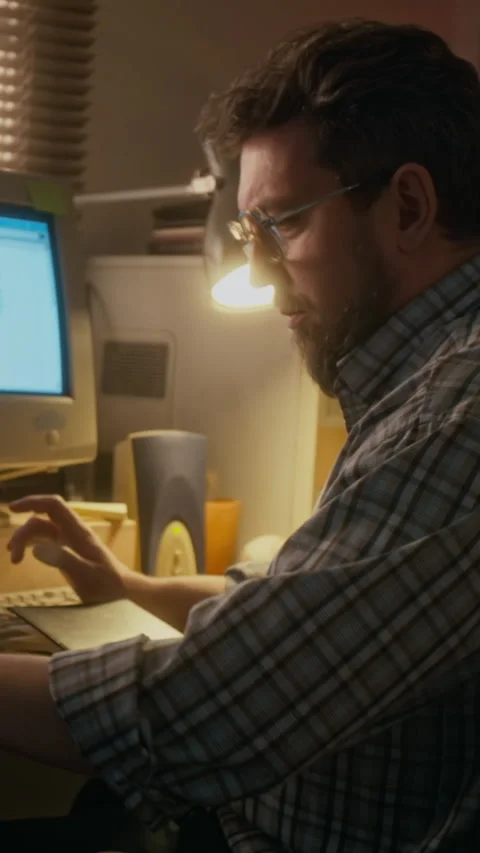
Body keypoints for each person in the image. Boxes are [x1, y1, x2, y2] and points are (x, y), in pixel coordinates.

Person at [2, 17, 480, 852]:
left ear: (408, 205)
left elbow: (199, 714)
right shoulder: (423, 380)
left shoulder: (461, 412)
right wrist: (133, 583)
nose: (258, 271)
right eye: (246, 234)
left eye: (283, 226)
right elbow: (305, 618)